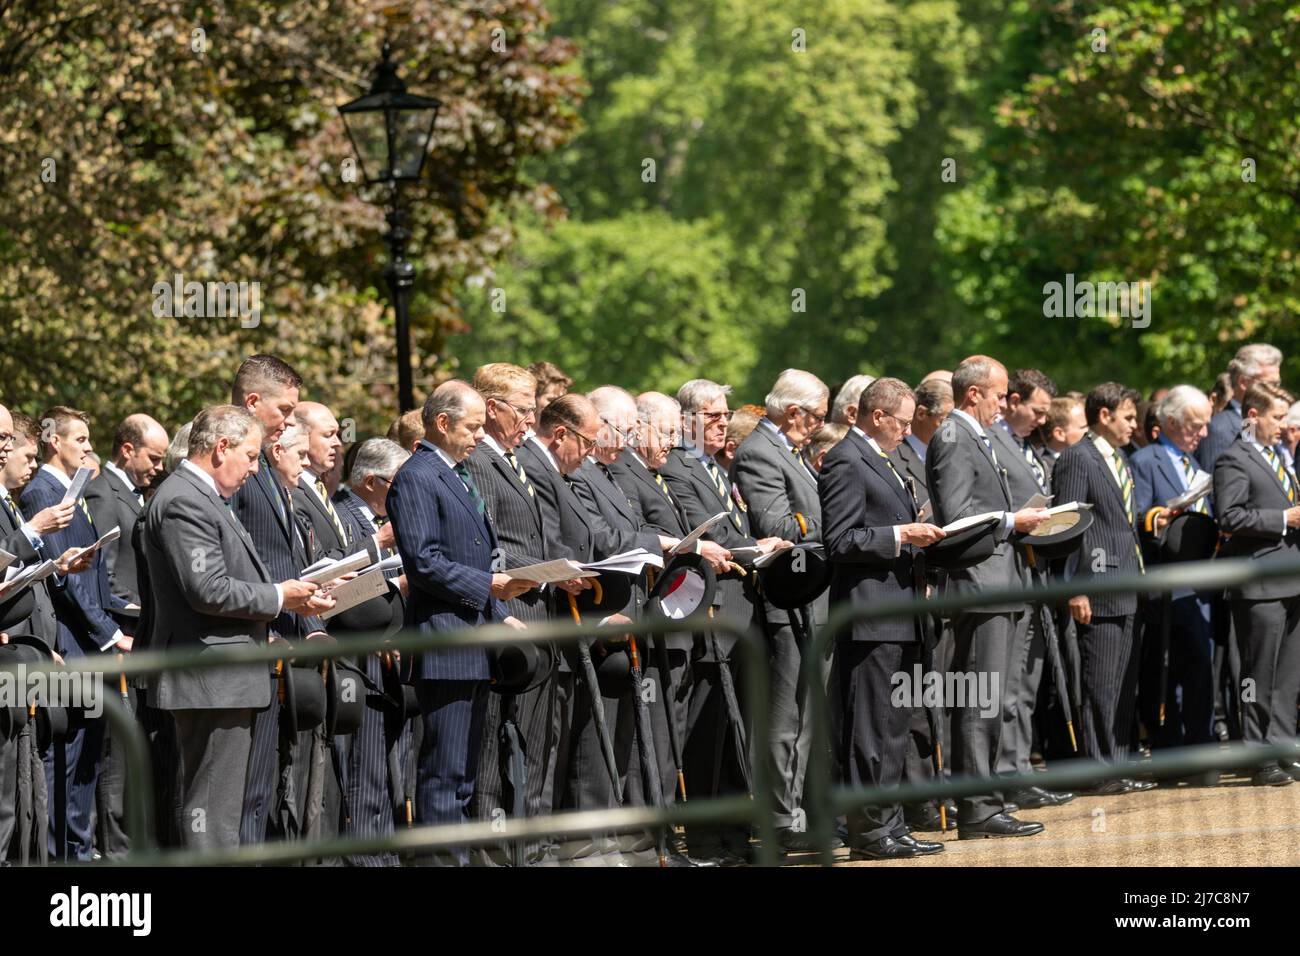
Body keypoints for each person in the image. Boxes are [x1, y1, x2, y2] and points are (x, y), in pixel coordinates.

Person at [144, 405, 331, 849]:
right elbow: (206, 589)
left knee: (220, 806)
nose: (254, 468)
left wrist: (290, 597)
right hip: (211, 675)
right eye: (250, 456)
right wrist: (280, 597)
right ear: (220, 447)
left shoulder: (204, 497)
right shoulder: (185, 499)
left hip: (223, 673)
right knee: (212, 806)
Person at [386, 381, 533, 866]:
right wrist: (489, 588)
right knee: (444, 772)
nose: (478, 435)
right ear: (442, 423)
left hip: (473, 637)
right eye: (471, 427)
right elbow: (424, 562)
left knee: (465, 773)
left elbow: (474, 551)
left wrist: (500, 613)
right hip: (445, 643)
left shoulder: (457, 472)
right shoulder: (417, 476)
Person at [659, 379, 790, 863]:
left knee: (736, 728)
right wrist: (755, 548)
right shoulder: (677, 466)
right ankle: (710, 838)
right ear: (689, 418)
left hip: (741, 608)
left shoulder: (711, 465)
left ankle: (735, 835)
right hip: (714, 614)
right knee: (710, 730)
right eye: (714, 415)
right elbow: (700, 534)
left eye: (725, 414)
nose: (723, 422)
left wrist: (758, 546)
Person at [819, 377, 946, 859]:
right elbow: (840, 540)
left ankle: (889, 824)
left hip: (900, 611)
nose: (907, 431)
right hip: (870, 616)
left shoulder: (884, 459)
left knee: (894, 728)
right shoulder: (846, 459)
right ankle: (869, 833)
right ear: (878, 416)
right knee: (869, 729)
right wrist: (900, 535)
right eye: (903, 422)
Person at [926, 356, 1050, 839]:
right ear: (973, 393)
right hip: (979, 586)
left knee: (993, 700)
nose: (1004, 403)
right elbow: (956, 515)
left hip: (999, 582)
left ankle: (986, 801)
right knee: (980, 702)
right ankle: (977, 808)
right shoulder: (955, 436)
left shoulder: (975, 435)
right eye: (998, 394)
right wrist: (1009, 521)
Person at [20, 405, 133, 860]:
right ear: (54, 441)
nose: (89, 448)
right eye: (81, 439)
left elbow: (87, 574)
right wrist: (110, 633)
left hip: (91, 645)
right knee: (64, 758)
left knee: (87, 760)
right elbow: (62, 580)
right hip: (73, 645)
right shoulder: (40, 494)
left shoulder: (71, 492)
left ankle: (79, 854)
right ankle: (60, 857)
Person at [732, 368, 831, 852]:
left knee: (806, 716)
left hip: (811, 599)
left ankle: (792, 815)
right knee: (785, 718)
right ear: (794, 412)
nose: (818, 426)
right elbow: (774, 522)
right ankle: (774, 820)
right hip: (787, 601)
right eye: (817, 417)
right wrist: (835, 519)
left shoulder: (789, 450)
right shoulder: (758, 451)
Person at [1052, 382, 1155, 794]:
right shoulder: (1078, 457)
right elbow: (1068, 526)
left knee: (1122, 684)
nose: (1135, 424)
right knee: (1100, 682)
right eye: (1128, 417)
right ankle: (1099, 770)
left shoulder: (1120, 458)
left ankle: (1119, 762)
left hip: (1128, 583)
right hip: (1097, 587)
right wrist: (1075, 587)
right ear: (1105, 415)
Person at [83, 412, 169, 859]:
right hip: (123, 641)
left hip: (142, 639)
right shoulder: (102, 494)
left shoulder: (135, 495)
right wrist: (115, 634)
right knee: (117, 756)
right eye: (153, 457)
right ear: (127, 448)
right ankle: (117, 852)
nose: (159, 466)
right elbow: (102, 573)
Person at [987, 369, 1073, 809]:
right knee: (1006, 685)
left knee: (1026, 682)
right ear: (1014, 400)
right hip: (1007, 571)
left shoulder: (1025, 445)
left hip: (1032, 573)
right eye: (1037, 409)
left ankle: (1019, 767)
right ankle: (1006, 773)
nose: (1042, 419)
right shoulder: (993, 439)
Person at [331, 437, 413, 865]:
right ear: (370, 481)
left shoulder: (379, 518)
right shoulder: (345, 515)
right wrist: (389, 577)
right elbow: (334, 585)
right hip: (355, 658)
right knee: (364, 774)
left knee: (386, 771)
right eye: (397, 484)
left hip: (391, 653)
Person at [1213, 381, 1300, 786]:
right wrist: (1285, 519)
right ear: (1253, 416)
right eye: (1277, 417)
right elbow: (1229, 517)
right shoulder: (1234, 458)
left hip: (1293, 578)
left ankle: (1281, 747)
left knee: (1288, 674)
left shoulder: (1279, 456)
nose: (1284, 425)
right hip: (1259, 581)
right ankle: (1257, 753)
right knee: (1256, 672)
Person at [1130, 385, 1218, 776]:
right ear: (1170, 423)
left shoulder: (1195, 461)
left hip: (1199, 579)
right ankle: (1168, 750)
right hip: (1166, 579)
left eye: (1205, 427)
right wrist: (1158, 518)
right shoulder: (1147, 460)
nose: (1202, 434)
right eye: (1195, 426)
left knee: (1201, 665)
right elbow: (1136, 515)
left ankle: (1202, 747)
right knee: (1165, 669)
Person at [1196, 343, 1283, 472]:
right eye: (1270, 384)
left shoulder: (1271, 424)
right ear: (1243, 382)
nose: (1276, 390)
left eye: (1278, 383)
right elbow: (1213, 486)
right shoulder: (1219, 428)